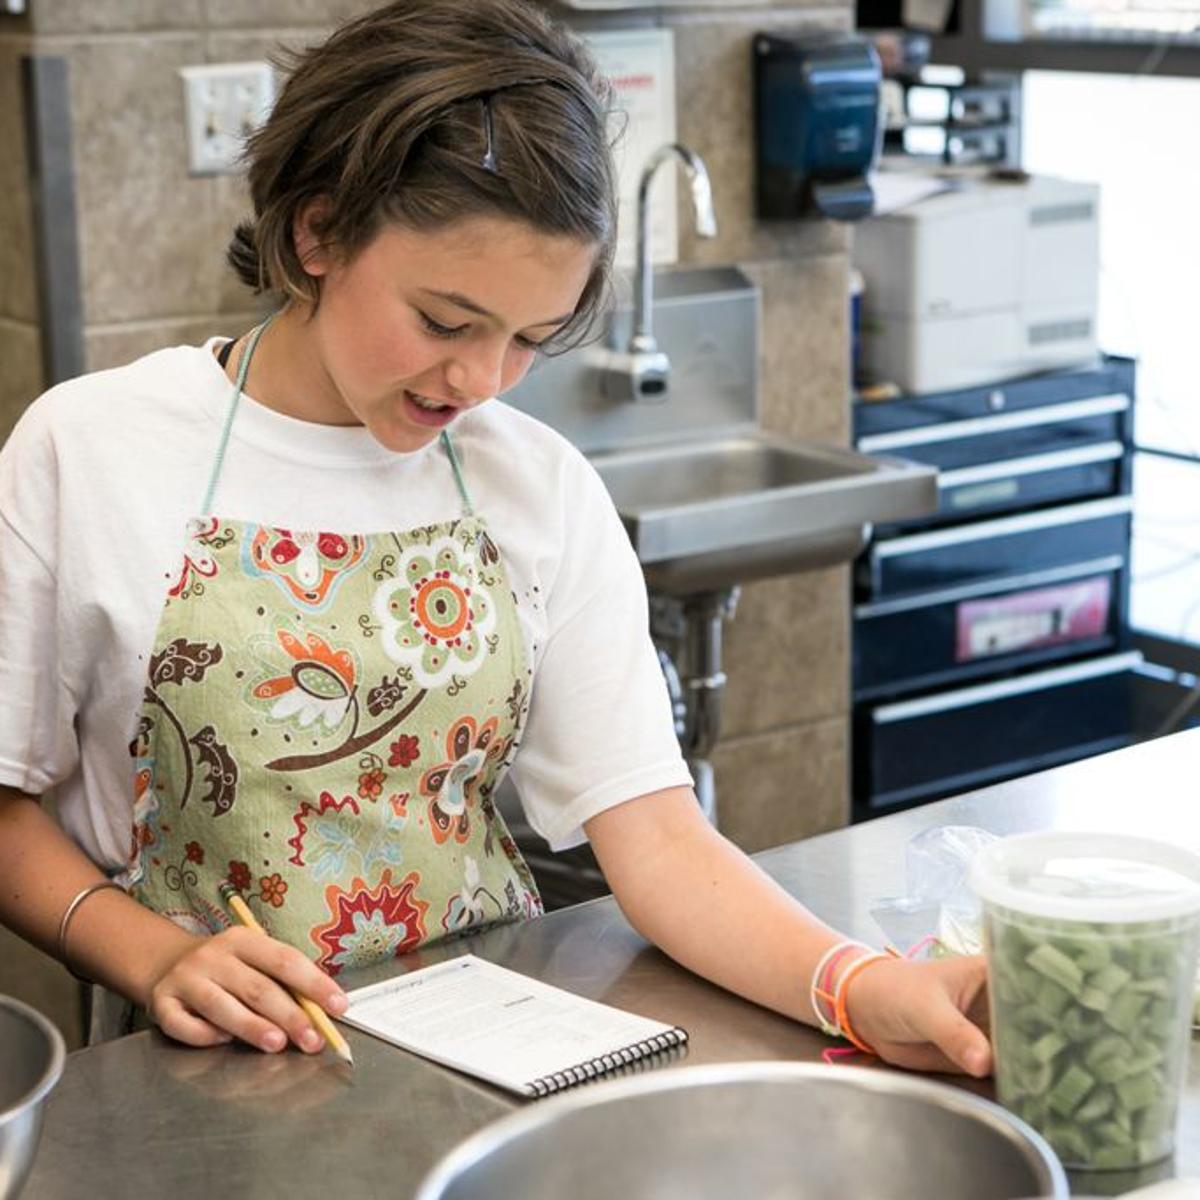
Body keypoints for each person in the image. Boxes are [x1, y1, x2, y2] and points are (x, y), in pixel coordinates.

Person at [0, 0, 991, 1075]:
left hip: (477, 1057)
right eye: (444, 320)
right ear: (316, 231)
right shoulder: (92, 446)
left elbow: (657, 841)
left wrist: (862, 987)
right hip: (196, 1074)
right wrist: (148, 956)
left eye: (531, 338)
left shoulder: (539, 485)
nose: (479, 381)